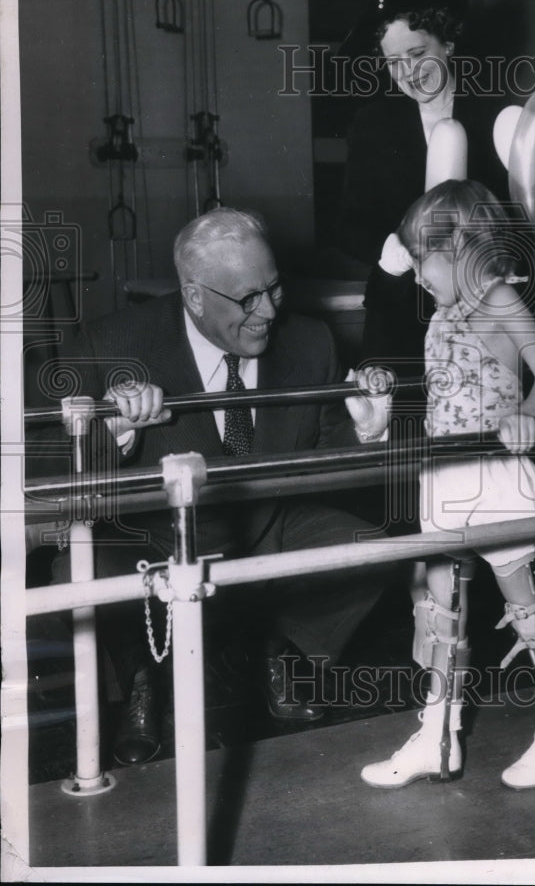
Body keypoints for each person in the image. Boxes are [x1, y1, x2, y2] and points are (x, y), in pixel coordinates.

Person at [32, 207, 392, 765]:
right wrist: (115, 429)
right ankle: (142, 677)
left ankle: (281, 649)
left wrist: (366, 430)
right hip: (152, 539)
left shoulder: (310, 341)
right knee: (76, 574)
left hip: (270, 526)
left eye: (274, 288)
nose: (268, 311)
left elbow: (326, 448)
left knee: (370, 548)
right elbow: (45, 465)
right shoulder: (112, 343)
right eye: (248, 298)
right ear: (195, 296)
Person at [346, 179, 535, 790]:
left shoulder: (500, 299)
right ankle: (439, 736)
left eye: (422, 260)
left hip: (497, 477)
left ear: (459, 246)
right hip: (444, 476)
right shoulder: (440, 312)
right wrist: (379, 405)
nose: (418, 275)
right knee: (438, 617)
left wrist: (527, 415)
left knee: (527, 611)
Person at [335, 0, 507, 374]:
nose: (408, 71)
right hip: (398, 310)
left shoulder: (493, 114)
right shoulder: (372, 124)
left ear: (448, 44)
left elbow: (513, 215)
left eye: (417, 53)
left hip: (481, 307)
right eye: (394, 62)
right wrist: (394, 249)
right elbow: (350, 226)